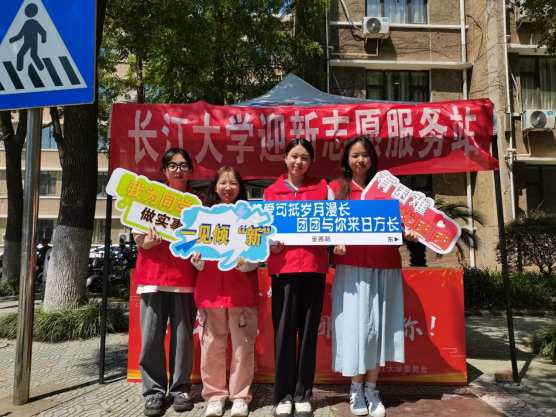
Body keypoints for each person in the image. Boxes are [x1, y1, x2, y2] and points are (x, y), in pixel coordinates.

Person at [329, 137, 418, 417]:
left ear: (372, 159)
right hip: (351, 268)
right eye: (354, 155)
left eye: (365, 155)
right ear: (346, 160)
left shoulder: (389, 189)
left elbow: (405, 221)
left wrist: (409, 231)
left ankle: (371, 388)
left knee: (378, 328)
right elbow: (325, 226)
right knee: (354, 327)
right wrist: (333, 242)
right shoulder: (335, 189)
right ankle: (355, 388)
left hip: (384, 266)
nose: (360, 160)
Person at [264, 138, 334, 417]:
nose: (298, 162)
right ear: (285, 158)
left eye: (304, 158)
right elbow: (262, 231)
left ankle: (303, 393)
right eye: (294, 156)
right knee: (283, 335)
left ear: (310, 162)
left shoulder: (323, 188)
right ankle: (283, 395)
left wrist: (335, 241)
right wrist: (270, 245)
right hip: (284, 270)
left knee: (307, 335)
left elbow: (333, 225)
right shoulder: (271, 192)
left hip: (314, 269)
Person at [133, 148, 199, 417]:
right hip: (152, 277)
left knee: (183, 338)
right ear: (164, 171)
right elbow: (138, 236)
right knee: (151, 338)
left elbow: (202, 240)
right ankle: (153, 392)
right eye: (172, 165)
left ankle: (181, 388)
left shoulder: (197, 203)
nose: (178, 170)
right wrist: (146, 242)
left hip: (184, 278)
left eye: (183, 165)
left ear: (191, 171)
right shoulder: (150, 198)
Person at [191, 167, 259, 417]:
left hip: (241, 290)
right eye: (223, 182)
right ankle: (214, 396)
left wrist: (247, 263)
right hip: (210, 290)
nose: (228, 188)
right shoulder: (203, 216)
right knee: (211, 346)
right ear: (215, 186)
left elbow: (257, 253)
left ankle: (240, 396)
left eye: (233, 183)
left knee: (243, 346)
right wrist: (197, 260)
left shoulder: (251, 217)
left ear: (240, 188)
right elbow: (194, 254)